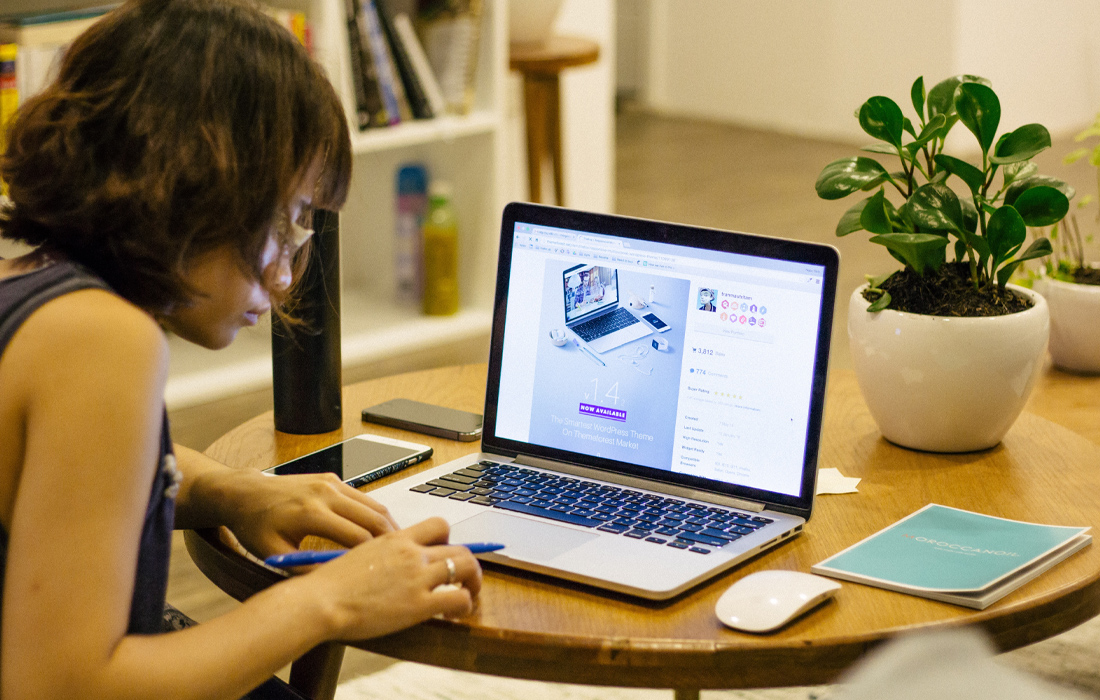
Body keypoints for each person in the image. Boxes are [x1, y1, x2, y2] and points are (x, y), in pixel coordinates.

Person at [0, 1, 481, 699]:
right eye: (281, 224)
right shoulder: (104, 341)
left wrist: (234, 492)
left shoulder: (32, 281)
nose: (287, 275)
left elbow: (81, 476)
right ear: (195, 184)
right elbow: (61, 684)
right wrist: (329, 601)